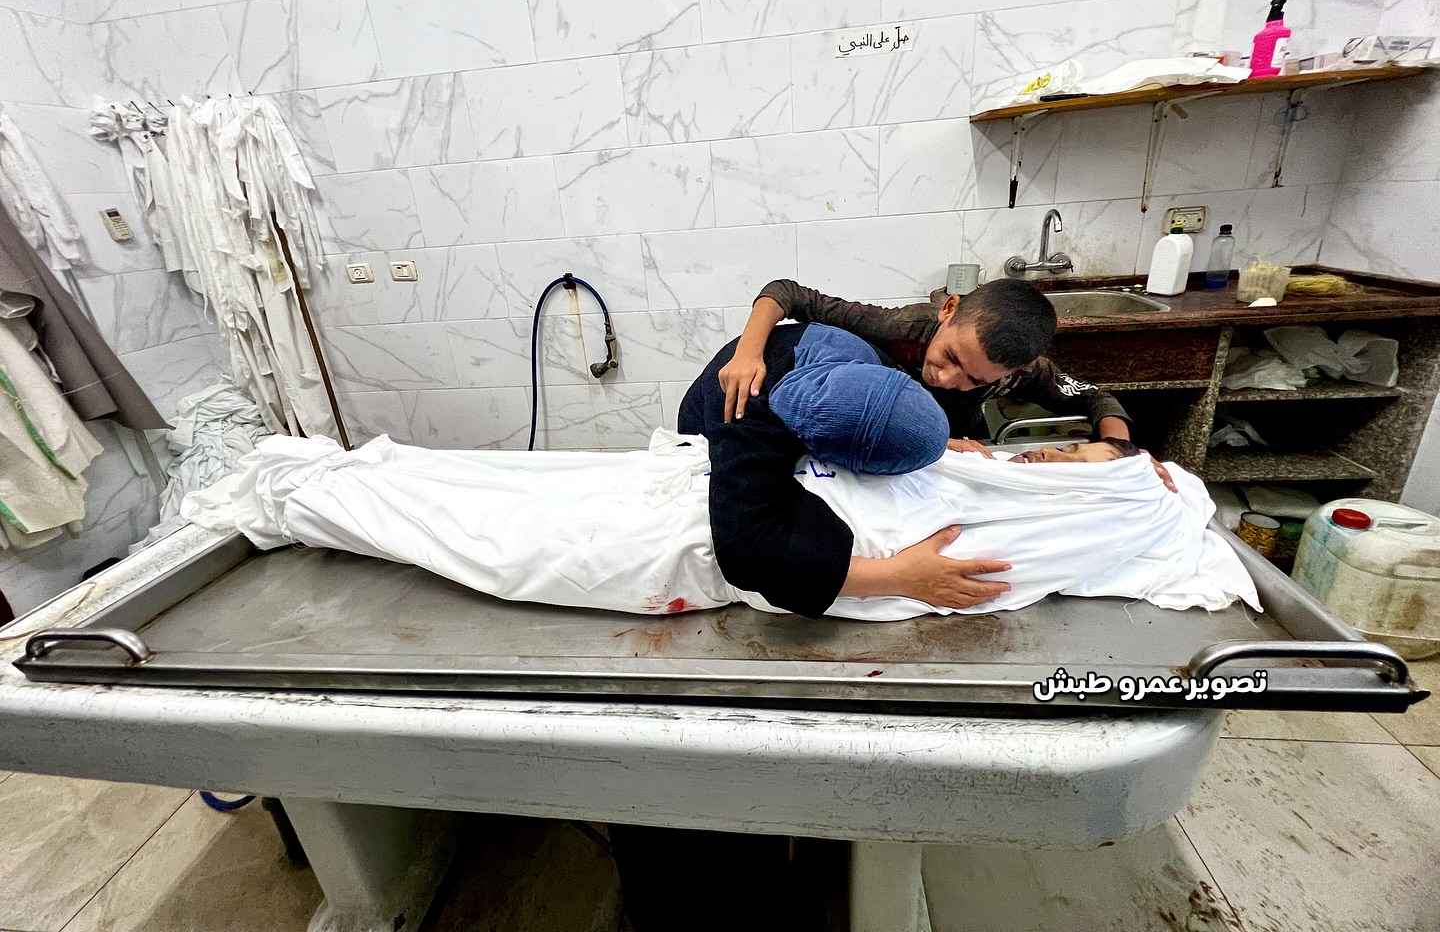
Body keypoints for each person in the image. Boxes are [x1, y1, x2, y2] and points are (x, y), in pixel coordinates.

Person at [186, 427, 1258, 623]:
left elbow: (866, 581)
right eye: (1066, 451)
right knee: (502, 479)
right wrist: (958, 461)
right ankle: (321, 476)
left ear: (1091, 498)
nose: (1049, 457)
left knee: (492, 536)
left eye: (1071, 461)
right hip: (705, 490)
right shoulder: (985, 475)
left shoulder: (1040, 531)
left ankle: (299, 497)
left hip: (694, 546)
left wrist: (890, 577)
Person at [676, 322, 1012, 618]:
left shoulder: (864, 356)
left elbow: (885, 404)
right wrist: (898, 576)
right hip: (713, 414)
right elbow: (747, 557)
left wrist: (928, 434)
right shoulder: (743, 422)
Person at [720, 278, 1133, 453]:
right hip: (878, 436)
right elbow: (788, 292)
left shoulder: (1020, 372)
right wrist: (748, 353)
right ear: (948, 310)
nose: (948, 380)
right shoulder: (901, 328)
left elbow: (1096, 399)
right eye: (951, 358)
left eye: (976, 381)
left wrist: (1119, 452)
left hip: (960, 450)